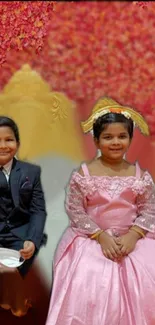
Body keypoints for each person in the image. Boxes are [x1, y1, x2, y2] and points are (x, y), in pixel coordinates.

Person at [46, 96, 155, 325]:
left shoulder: (140, 176)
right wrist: (101, 236)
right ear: (96, 140)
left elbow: (149, 209)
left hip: (132, 240)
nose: (115, 142)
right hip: (93, 239)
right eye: (107, 137)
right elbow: (76, 210)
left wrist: (134, 235)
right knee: (89, 277)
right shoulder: (84, 175)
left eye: (122, 136)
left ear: (130, 139)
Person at [0, 116, 47, 316]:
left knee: (13, 265)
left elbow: (38, 210)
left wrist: (32, 240)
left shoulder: (31, 172)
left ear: (17, 144)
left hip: (20, 236)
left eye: (8, 140)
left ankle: (13, 300)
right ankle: (14, 300)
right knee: (7, 271)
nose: (3, 146)